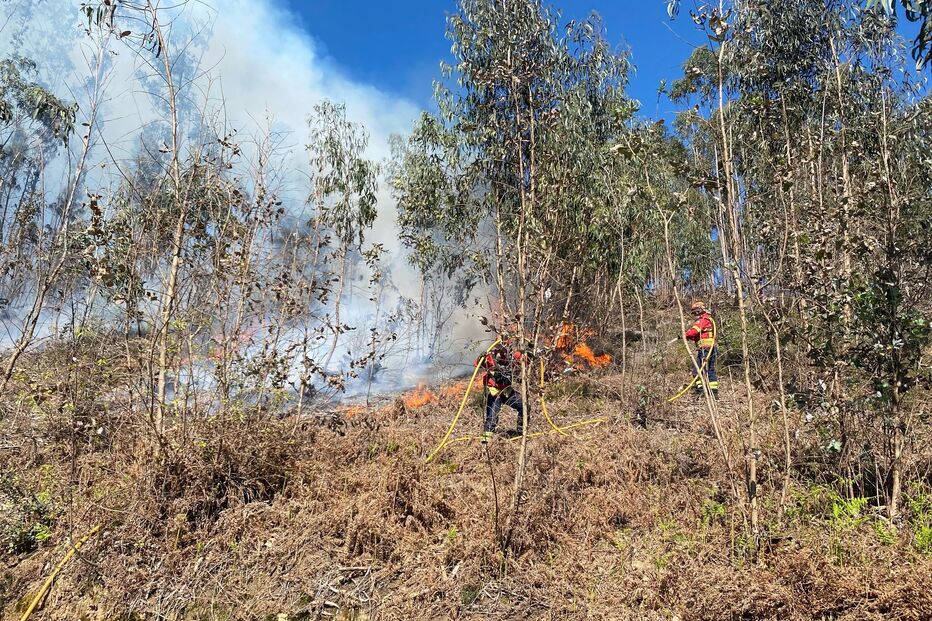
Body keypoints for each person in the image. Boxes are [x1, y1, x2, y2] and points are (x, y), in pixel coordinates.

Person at [475, 341, 526, 442]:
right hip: (494, 392)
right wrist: (481, 358)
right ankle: (486, 442)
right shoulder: (490, 357)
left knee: (524, 406)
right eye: (501, 347)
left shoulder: (513, 356)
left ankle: (521, 433)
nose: (503, 350)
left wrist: (529, 352)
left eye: (506, 347)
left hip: (507, 391)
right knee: (491, 417)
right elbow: (477, 364)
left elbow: (525, 360)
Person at [685, 301, 718, 397]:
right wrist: (689, 337)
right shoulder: (709, 319)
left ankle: (700, 391)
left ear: (699, 310)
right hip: (711, 349)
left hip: (705, 349)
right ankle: (714, 392)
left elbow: (693, 331)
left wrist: (685, 335)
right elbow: (698, 335)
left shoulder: (702, 320)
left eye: (695, 312)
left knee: (697, 371)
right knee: (710, 370)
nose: (695, 315)